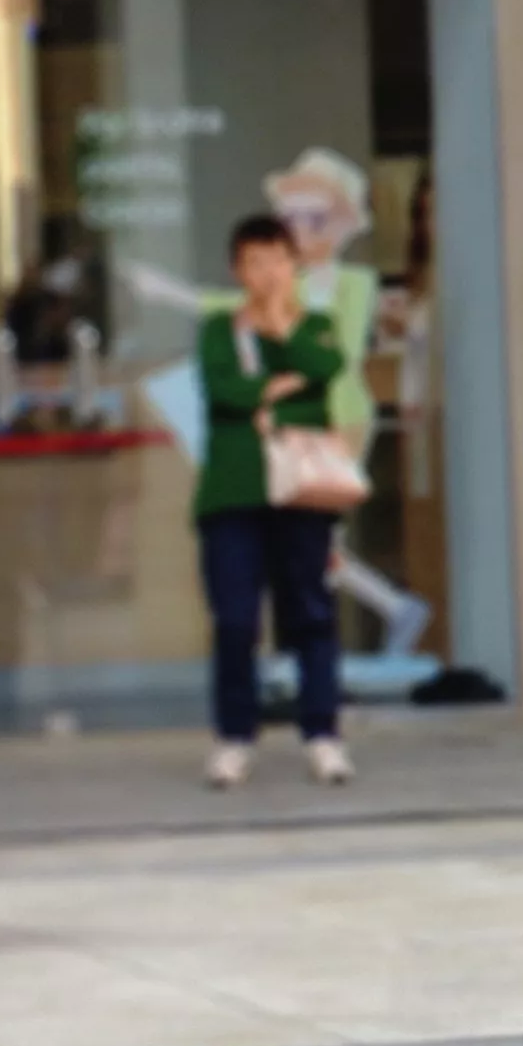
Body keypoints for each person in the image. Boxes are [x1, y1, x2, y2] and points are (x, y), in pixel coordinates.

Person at [195, 213, 351, 788]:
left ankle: (322, 734)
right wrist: (280, 388)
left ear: (295, 266)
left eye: (278, 261)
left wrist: (282, 326)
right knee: (236, 620)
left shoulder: (317, 326)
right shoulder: (219, 331)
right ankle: (234, 736)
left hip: (302, 494)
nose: (267, 274)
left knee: (311, 613)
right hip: (233, 494)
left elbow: (324, 368)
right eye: (255, 263)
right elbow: (223, 390)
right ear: (237, 270)